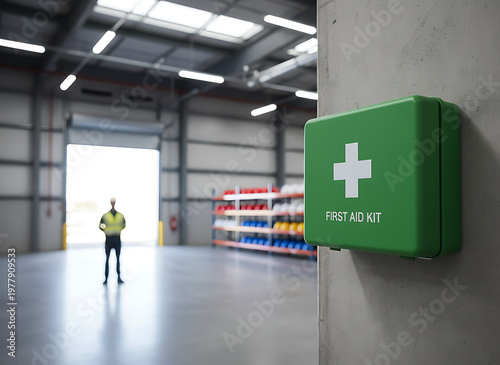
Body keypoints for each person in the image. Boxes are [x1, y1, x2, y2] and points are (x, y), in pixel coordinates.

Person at [99, 197, 126, 285]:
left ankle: (119, 277)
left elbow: (124, 224)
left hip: (117, 238)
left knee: (118, 259)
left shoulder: (120, 215)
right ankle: (106, 278)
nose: (113, 204)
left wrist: (117, 230)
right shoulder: (105, 215)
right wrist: (106, 231)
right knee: (107, 259)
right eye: (112, 202)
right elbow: (100, 225)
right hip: (109, 239)